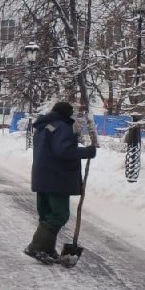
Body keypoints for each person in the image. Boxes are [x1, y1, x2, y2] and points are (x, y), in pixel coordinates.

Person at [26, 100, 97, 264]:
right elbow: (63, 150)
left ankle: (47, 249)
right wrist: (87, 152)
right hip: (57, 178)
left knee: (46, 214)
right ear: (67, 114)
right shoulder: (62, 126)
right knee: (59, 214)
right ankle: (36, 247)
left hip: (41, 176)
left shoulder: (43, 127)